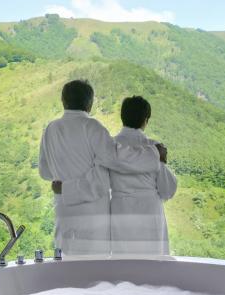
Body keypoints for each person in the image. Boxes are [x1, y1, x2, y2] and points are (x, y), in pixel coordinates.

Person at [38, 80, 166, 255]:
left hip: (64, 212)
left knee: (67, 265)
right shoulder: (91, 127)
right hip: (92, 215)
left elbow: (45, 172)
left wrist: (63, 184)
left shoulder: (50, 129)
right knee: (95, 270)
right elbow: (116, 158)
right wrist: (154, 153)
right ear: (89, 104)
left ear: (63, 100)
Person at [109, 96, 177, 254]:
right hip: (149, 210)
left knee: (123, 264)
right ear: (146, 120)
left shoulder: (110, 146)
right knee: (151, 265)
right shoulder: (154, 148)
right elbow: (168, 188)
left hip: (121, 209)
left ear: (122, 117)